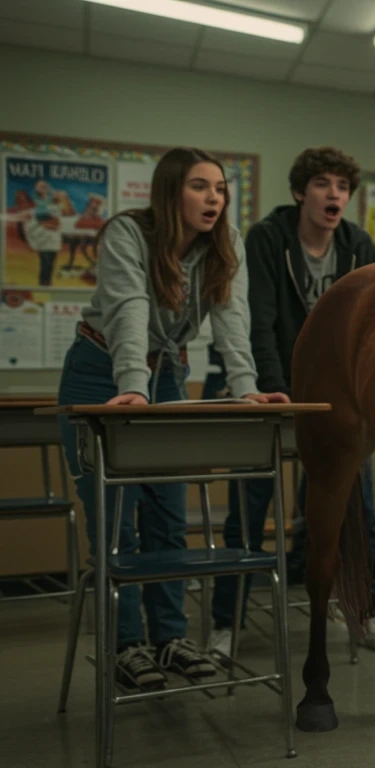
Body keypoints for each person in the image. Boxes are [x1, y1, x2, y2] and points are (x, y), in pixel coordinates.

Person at [55, 147, 287, 692]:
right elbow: (128, 308)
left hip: (166, 375)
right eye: (200, 187)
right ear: (170, 192)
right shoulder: (127, 234)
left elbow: (233, 319)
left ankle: (170, 638)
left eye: (221, 189)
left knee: (166, 517)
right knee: (118, 522)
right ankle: (127, 644)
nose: (215, 199)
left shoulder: (221, 249)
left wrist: (247, 390)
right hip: (100, 372)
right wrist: (133, 387)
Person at [207, 146, 375, 659]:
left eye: (342, 187)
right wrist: (270, 388)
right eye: (323, 184)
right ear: (300, 192)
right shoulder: (268, 238)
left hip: (340, 402)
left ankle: (363, 612)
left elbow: (372, 328)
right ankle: (226, 623)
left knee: (357, 509)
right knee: (248, 509)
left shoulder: (357, 244)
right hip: (274, 389)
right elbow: (256, 320)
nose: (334, 195)